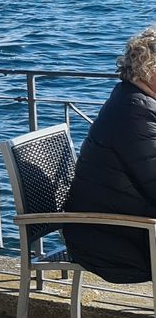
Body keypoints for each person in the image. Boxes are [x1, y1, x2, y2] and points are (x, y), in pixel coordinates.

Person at [63, 25, 156, 284]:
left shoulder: (134, 99)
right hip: (113, 242)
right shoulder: (134, 111)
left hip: (124, 226)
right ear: (149, 70)